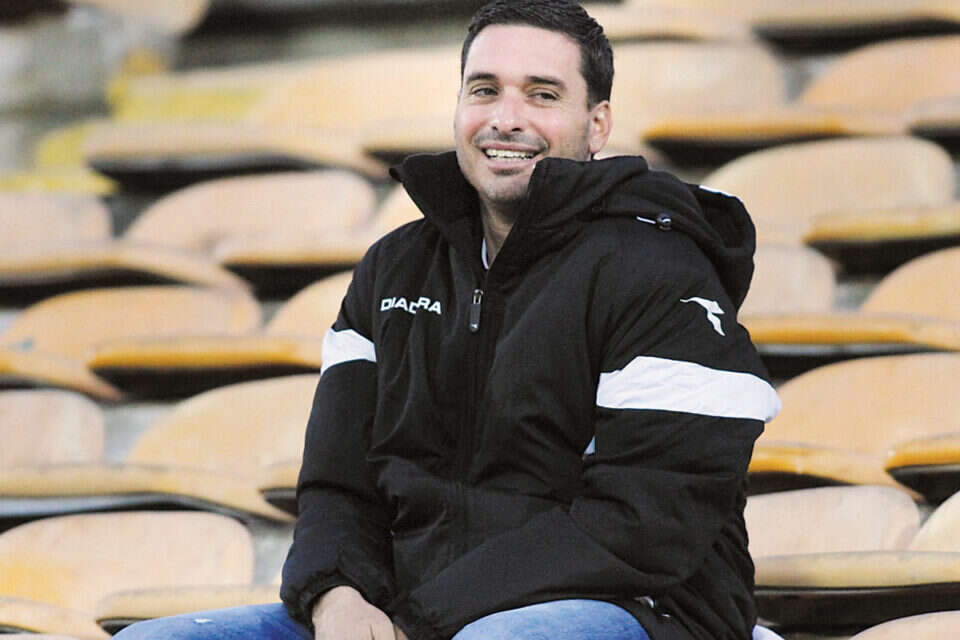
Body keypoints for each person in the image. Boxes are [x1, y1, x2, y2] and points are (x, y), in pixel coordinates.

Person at [115, 1, 780, 639]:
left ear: (597, 124)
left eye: (542, 95)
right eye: (484, 90)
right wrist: (338, 595)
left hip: (637, 612)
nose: (506, 119)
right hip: (415, 610)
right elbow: (338, 486)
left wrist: (426, 620)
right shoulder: (393, 269)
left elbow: (644, 522)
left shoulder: (659, 269)